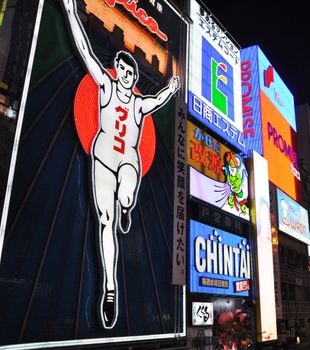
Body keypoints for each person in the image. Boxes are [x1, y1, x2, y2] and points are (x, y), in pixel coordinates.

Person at [62, 0, 180, 329]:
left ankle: (127, 204)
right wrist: (72, 13)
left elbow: (156, 100)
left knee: (127, 194)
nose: (127, 76)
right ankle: (110, 289)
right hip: (102, 157)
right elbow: (85, 51)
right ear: (117, 68)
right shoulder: (104, 86)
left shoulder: (140, 105)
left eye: (132, 73)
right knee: (105, 222)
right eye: (124, 70)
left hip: (128, 159)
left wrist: (170, 90)